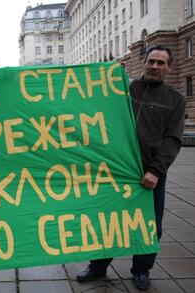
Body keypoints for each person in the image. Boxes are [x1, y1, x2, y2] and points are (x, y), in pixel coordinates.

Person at [76, 45, 186, 290]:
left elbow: (172, 140)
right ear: (144, 62)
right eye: (151, 61)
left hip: (149, 172)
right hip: (116, 170)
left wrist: (156, 170)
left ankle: (141, 270)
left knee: (150, 225)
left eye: (161, 63)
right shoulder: (124, 89)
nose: (155, 66)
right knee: (109, 221)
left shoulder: (175, 100)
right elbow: (92, 102)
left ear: (169, 68)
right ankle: (98, 266)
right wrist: (107, 78)